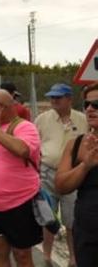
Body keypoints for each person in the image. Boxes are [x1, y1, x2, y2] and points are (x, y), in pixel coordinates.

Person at [0, 89, 42, 267]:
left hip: (19, 203)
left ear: (8, 107)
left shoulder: (24, 127)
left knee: (22, 254)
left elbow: (23, 150)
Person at [34, 82, 85, 266]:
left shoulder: (82, 119)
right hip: (47, 172)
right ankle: (46, 256)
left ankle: (73, 257)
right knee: (49, 216)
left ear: (69, 99)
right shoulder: (42, 119)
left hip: (73, 173)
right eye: (52, 97)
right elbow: (35, 144)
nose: (53, 100)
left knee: (72, 218)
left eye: (58, 97)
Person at [54, 83, 98, 266]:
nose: (90, 109)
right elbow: (61, 185)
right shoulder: (76, 144)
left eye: (97, 104)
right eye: (86, 104)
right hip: (88, 232)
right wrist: (85, 166)